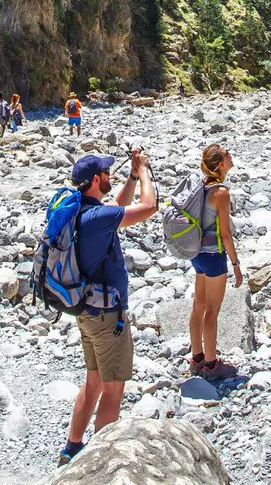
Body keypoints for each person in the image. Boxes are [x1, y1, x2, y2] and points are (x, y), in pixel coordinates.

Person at [60, 149, 157, 466]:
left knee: (94, 382)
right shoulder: (97, 218)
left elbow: (118, 207)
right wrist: (144, 173)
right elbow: (149, 207)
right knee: (114, 390)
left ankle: (72, 449)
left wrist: (130, 176)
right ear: (94, 181)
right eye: (105, 173)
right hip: (107, 316)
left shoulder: (83, 214)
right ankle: (100, 463)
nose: (109, 175)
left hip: (87, 311)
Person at [188, 143, 245, 381]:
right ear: (221, 164)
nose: (231, 157)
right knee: (212, 310)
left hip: (196, 253)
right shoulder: (221, 192)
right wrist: (235, 263)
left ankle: (197, 358)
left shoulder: (201, 185)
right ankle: (212, 365)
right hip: (213, 256)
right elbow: (225, 234)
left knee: (198, 305)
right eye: (227, 155)